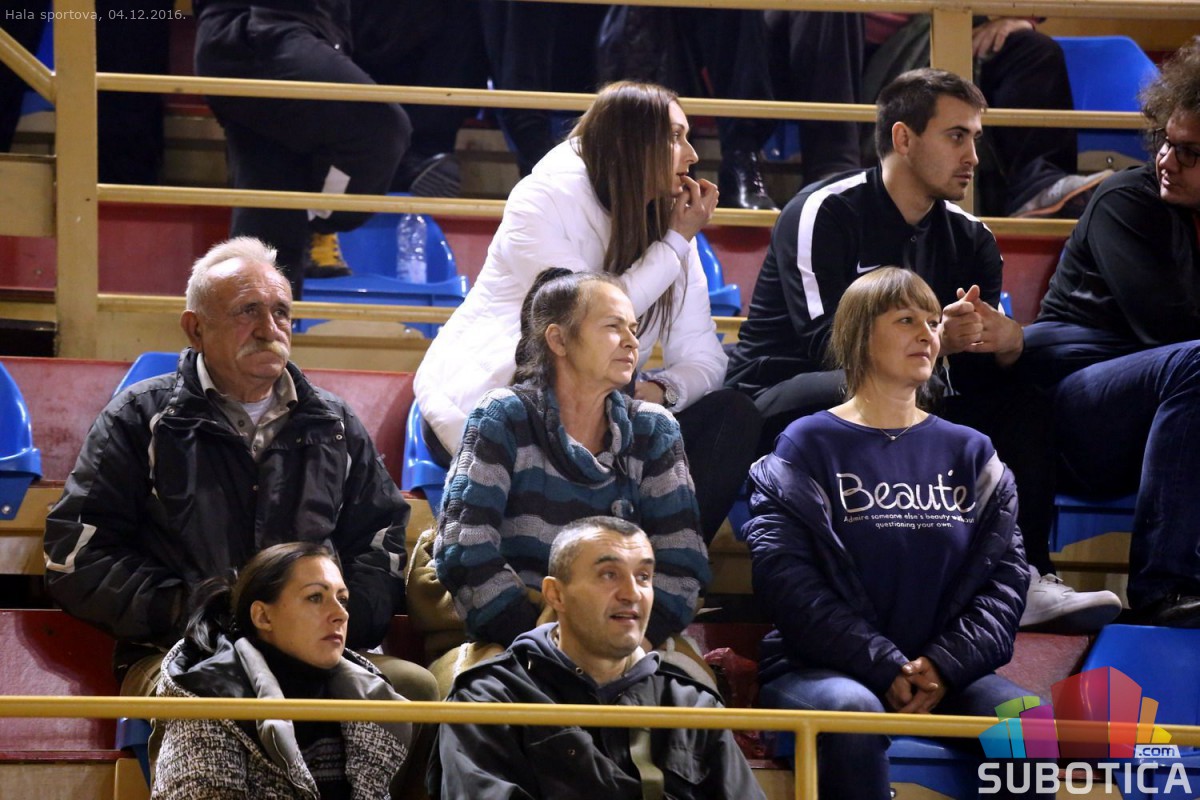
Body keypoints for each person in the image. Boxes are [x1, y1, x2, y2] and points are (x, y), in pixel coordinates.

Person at [724, 68, 1121, 632]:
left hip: (913, 393)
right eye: (956, 136)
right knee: (872, 391)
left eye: (976, 138)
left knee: (1020, 403)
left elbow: (971, 369)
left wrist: (1004, 343)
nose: (973, 157)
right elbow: (824, 344)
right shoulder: (825, 210)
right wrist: (936, 342)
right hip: (788, 392)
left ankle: (1026, 574)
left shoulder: (972, 237)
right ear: (904, 138)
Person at [42, 237, 438, 706]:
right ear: (195, 329)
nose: (269, 329)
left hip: (317, 653)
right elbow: (77, 555)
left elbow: (380, 542)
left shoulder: (334, 424)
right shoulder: (140, 418)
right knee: (226, 699)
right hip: (181, 652)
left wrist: (325, 617)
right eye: (247, 311)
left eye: (281, 312)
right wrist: (197, 613)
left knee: (416, 691)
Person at [415, 80, 760, 541]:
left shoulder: (670, 226)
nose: (692, 155)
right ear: (631, 142)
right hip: (496, 405)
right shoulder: (541, 199)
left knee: (732, 414)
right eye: (676, 137)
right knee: (585, 379)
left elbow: (705, 357)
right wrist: (674, 244)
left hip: (604, 412)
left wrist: (662, 391)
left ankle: (660, 567)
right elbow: (588, 318)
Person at [744, 268, 1039, 799]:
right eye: (906, 320)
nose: (927, 333)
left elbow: (1005, 582)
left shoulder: (972, 451)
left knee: (1029, 726)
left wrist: (944, 665)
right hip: (823, 669)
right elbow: (787, 583)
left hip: (945, 671)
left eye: (931, 321)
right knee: (855, 712)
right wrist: (883, 664)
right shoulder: (806, 444)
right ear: (859, 335)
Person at [429, 270, 711, 693]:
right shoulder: (503, 416)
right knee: (488, 697)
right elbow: (464, 548)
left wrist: (631, 644)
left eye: (634, 329)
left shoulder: (655, 429)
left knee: (697, 695)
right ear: (558, 340)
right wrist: (540, 643)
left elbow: (683, 561)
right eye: (613, 327)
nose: (632, 342)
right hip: (516, 638)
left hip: (630, 642)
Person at [1019, 38, 1200, 626]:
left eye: (1190, 152)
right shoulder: (1125, 200)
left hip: (1172, 423)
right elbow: (1168, 327)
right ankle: (1164, 588)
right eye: (1166, 141)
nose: (1167, 159)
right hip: (1078, 414)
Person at [433, 516, 765, 800]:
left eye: (644, 577)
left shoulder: (691, 705)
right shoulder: (489, 700)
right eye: (609, 574)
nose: (632, 593)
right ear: (556, 594)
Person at [153, 542, 414, 799]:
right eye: (315, 597)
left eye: (342, 599)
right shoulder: (209, 701)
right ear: (263, 617)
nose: (341, 614)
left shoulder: (370, 703)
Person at [192, 0, 412, 296]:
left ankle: (257, 320)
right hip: (263, 30)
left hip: (285, 34)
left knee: (270, 230)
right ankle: (317, 216)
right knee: (380, 126)